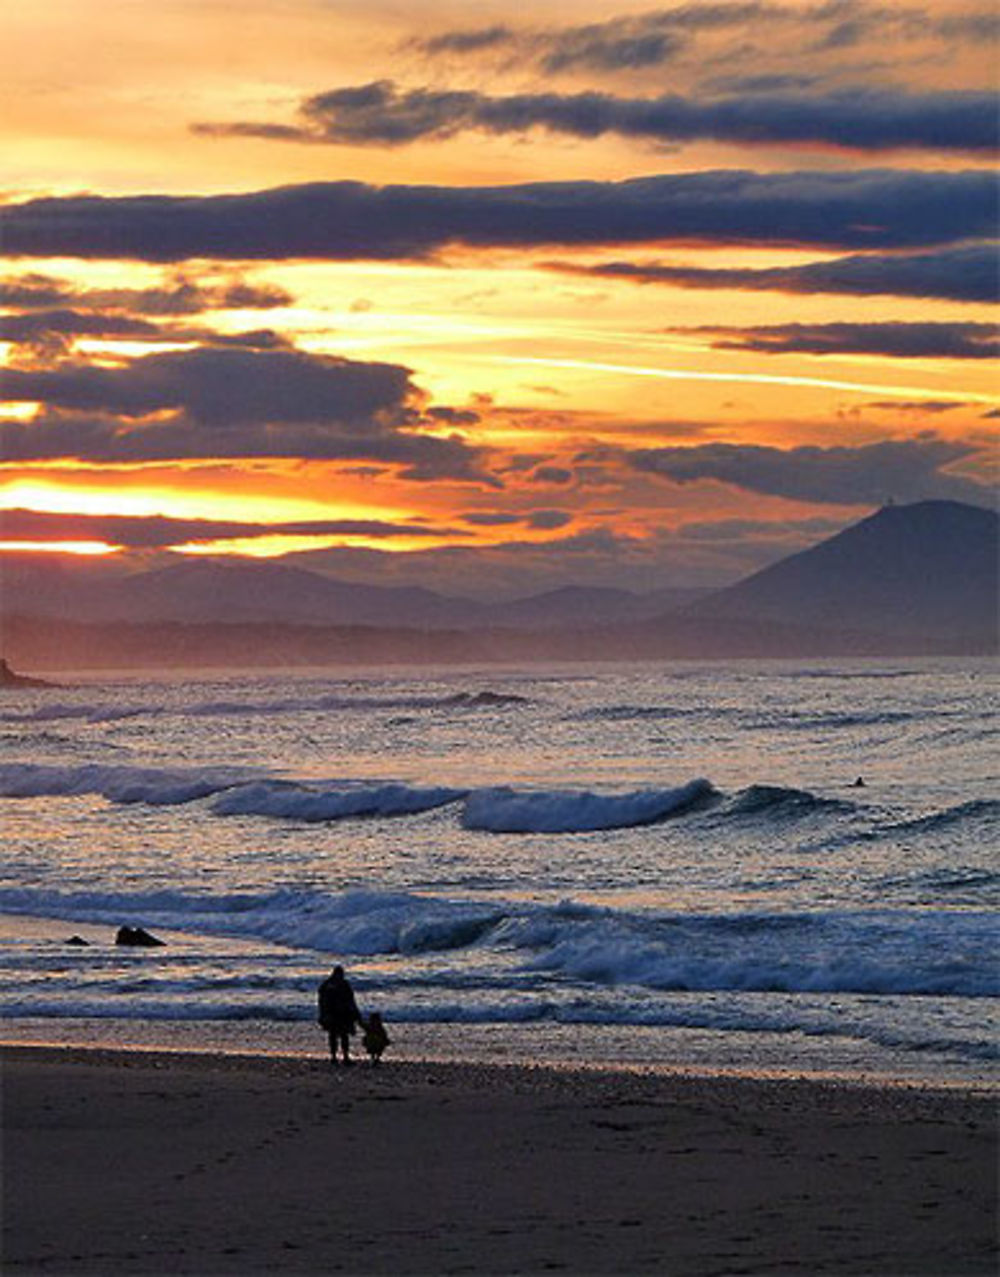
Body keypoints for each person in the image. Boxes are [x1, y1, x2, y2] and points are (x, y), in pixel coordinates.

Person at [317, 965, 362, 1066]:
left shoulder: (328, 984)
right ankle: (338, 1057)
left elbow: (350, 1000)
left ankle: (339, 1057)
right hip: (337, 1015)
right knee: (339, 1036)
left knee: (339, 1036)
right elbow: (350, 1001)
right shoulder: (335, 985)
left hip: (339, 1014)